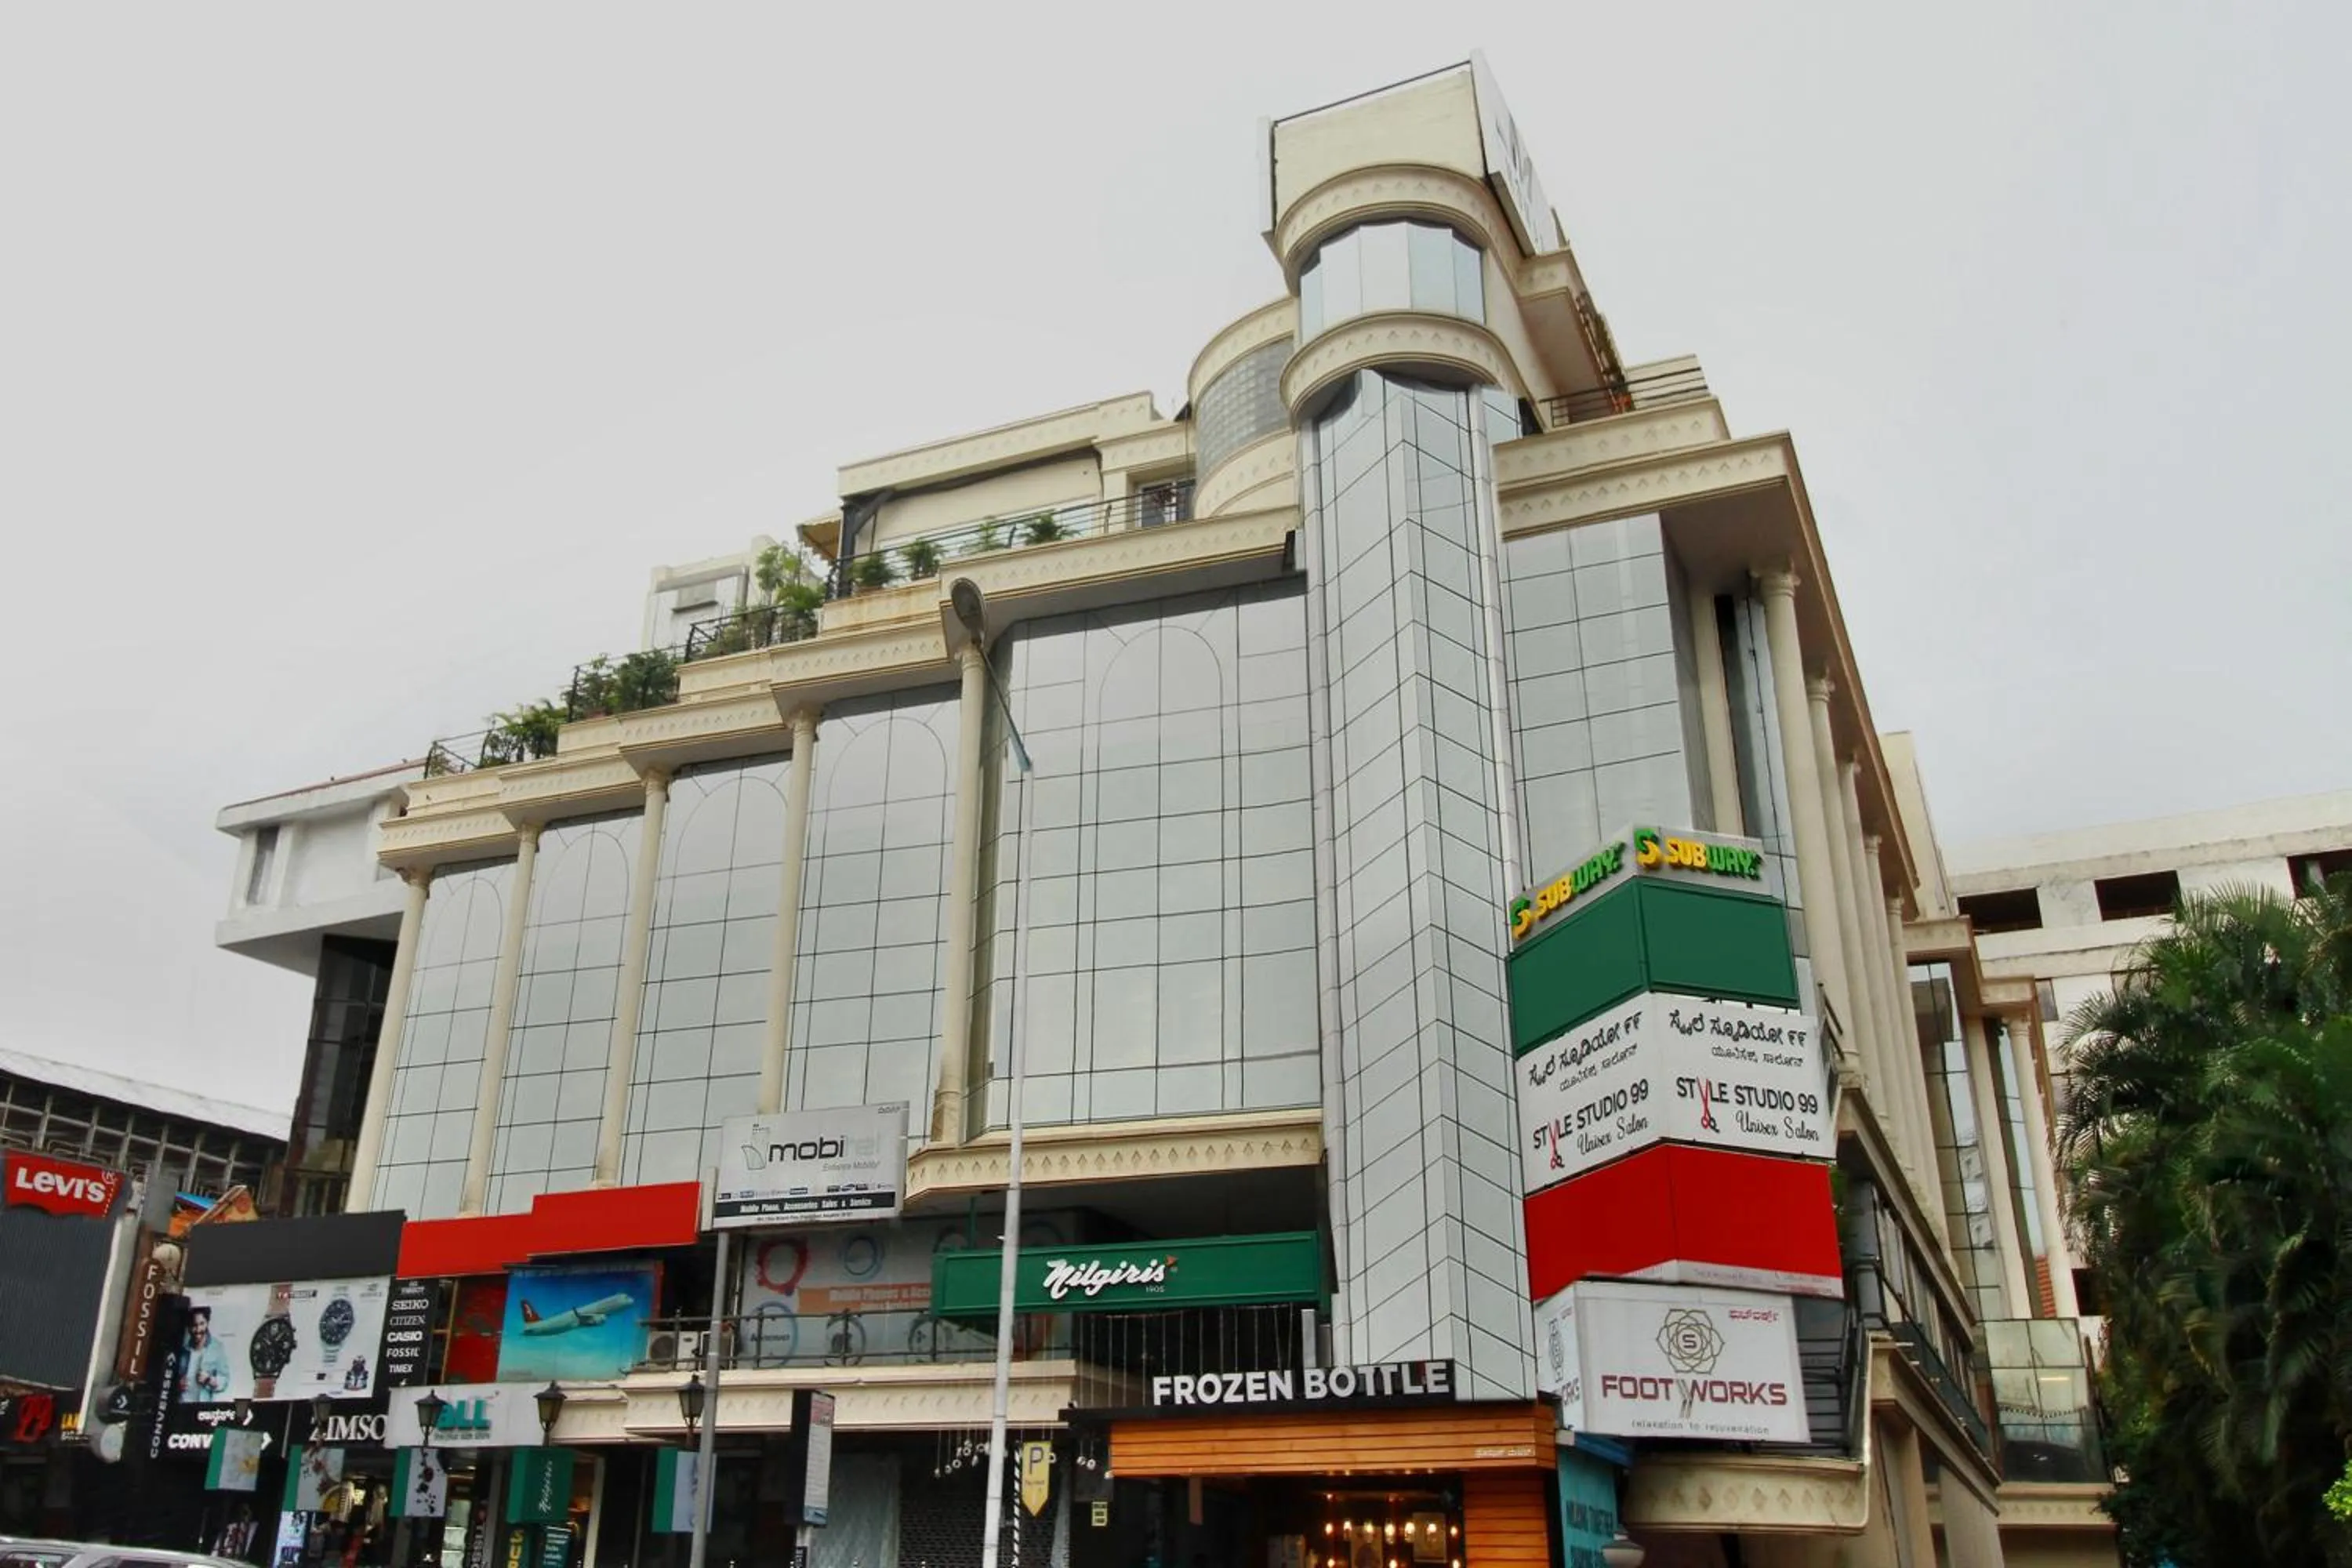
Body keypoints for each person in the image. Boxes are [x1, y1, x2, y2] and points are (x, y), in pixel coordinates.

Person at [180, 1307, 232, 1403]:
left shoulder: (217, 1348)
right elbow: (167, 1377)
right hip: (181, 1406)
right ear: (189, 1327)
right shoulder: (181, 1348)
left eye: (202, 1324)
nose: (198, 1329)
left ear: (207, 1323)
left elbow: (225, 1381)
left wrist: (209, 1380)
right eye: (194, 1325)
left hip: (202, 1408)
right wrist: (176, 1384)